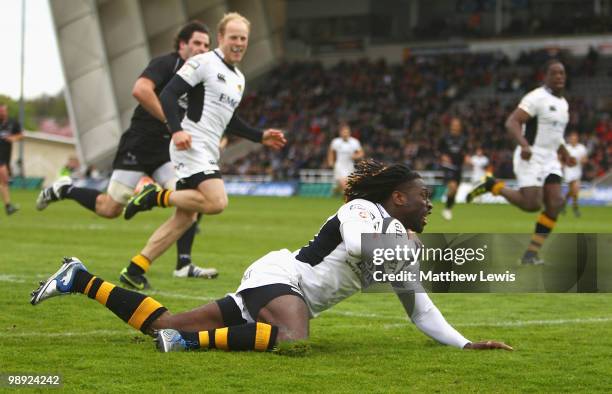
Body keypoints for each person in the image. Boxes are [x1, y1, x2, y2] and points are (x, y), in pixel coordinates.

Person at [31, 160, 512, 353]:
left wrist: (465, 345)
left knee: (165, 323)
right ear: (399, 200)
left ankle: (80, 279)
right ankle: (189, 345)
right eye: (423, 196)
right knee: (295, 334)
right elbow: (367, 247)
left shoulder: (394, 234)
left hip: (278, 287)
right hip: (283, 279)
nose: (429, 203)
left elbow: (420, 309)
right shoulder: (363, 209)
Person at [35, 21, 217, 286]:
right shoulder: (167, 64)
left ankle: (182, 264)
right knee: (110, 208)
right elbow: (140, 90)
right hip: (139, 144)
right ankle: (66, 189)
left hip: (168, 151)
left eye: (206, 45)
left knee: (191, 201)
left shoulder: (200, 78)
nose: (203, 49)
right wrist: (171, 122)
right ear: (182, 45)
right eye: (197, 43)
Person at [119, 13, 287, 289]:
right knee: (216, 202)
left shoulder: (238, 78)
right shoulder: (203, 62)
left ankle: (136, 268)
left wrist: (260, 136)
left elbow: (228, 119)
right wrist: (176, 130)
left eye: (243, 38)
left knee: (185, 218)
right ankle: (154, 196)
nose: (239, 43)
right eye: (233, 37)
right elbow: (168, 95)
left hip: (208, 149)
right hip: (190, 144)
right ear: (220, 38)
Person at [467, 60, 575, 265]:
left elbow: (556, 135)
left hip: (551, 159)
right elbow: (512, 122)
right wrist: (524, 144)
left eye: (562, 73)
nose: (559, 77)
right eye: (555, 73)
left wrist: (565, 153)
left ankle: (530, 255)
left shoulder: (564, 104)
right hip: (531, 155)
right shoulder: (536, 98)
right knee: (531, 204)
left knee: (555, 204)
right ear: (546, 76)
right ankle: (493, 185)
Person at [438, 117, 468, 221]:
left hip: (458, 167)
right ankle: (447, 207)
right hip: (448, 167)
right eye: (454, 125)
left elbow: (465, 152)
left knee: (455, 191)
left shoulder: (463, 139)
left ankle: (448, 209)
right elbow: (438, 150)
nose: (455, 127)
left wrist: (467, 159)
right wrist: (442, 156)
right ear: (451, 126)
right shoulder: (445, 138)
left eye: (457, 125)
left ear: (460, 127)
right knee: (453, 187)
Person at [327, 122, 363, 194]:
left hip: (349, 166)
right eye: (344, 132)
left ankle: (338, 189)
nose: (345, 133)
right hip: (339, 165)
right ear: (340, 132)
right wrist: (330, 161)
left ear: (349, 132)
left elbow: (361, 153)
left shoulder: (355, 142)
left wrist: (355, 156)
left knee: (347, 185)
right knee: (344, 183)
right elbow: (331, 152)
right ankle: (347, 198)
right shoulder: (336, 142)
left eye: (347, 132)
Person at [0, 104, 23, 215]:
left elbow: (21, 135)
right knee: (4, 178)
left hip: (5, 157)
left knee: (4, 182)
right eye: (1, 111)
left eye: (4, 110)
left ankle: (8, 206)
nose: (3, 113)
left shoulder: (12, 122)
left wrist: (12, 138)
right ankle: (8, 206)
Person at [562, 131, 588, 217]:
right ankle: (575, 208)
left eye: (575, 138)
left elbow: (585, 160)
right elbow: (562, 159)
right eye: (572, 138)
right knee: (574, 189)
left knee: (574, 190)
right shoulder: (566, 148)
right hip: (568, 171)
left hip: (577, 171)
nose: (573, 140)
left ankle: (563, 205)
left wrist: (578, 161)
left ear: (577, 139)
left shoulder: (581, 148)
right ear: (569, 139)